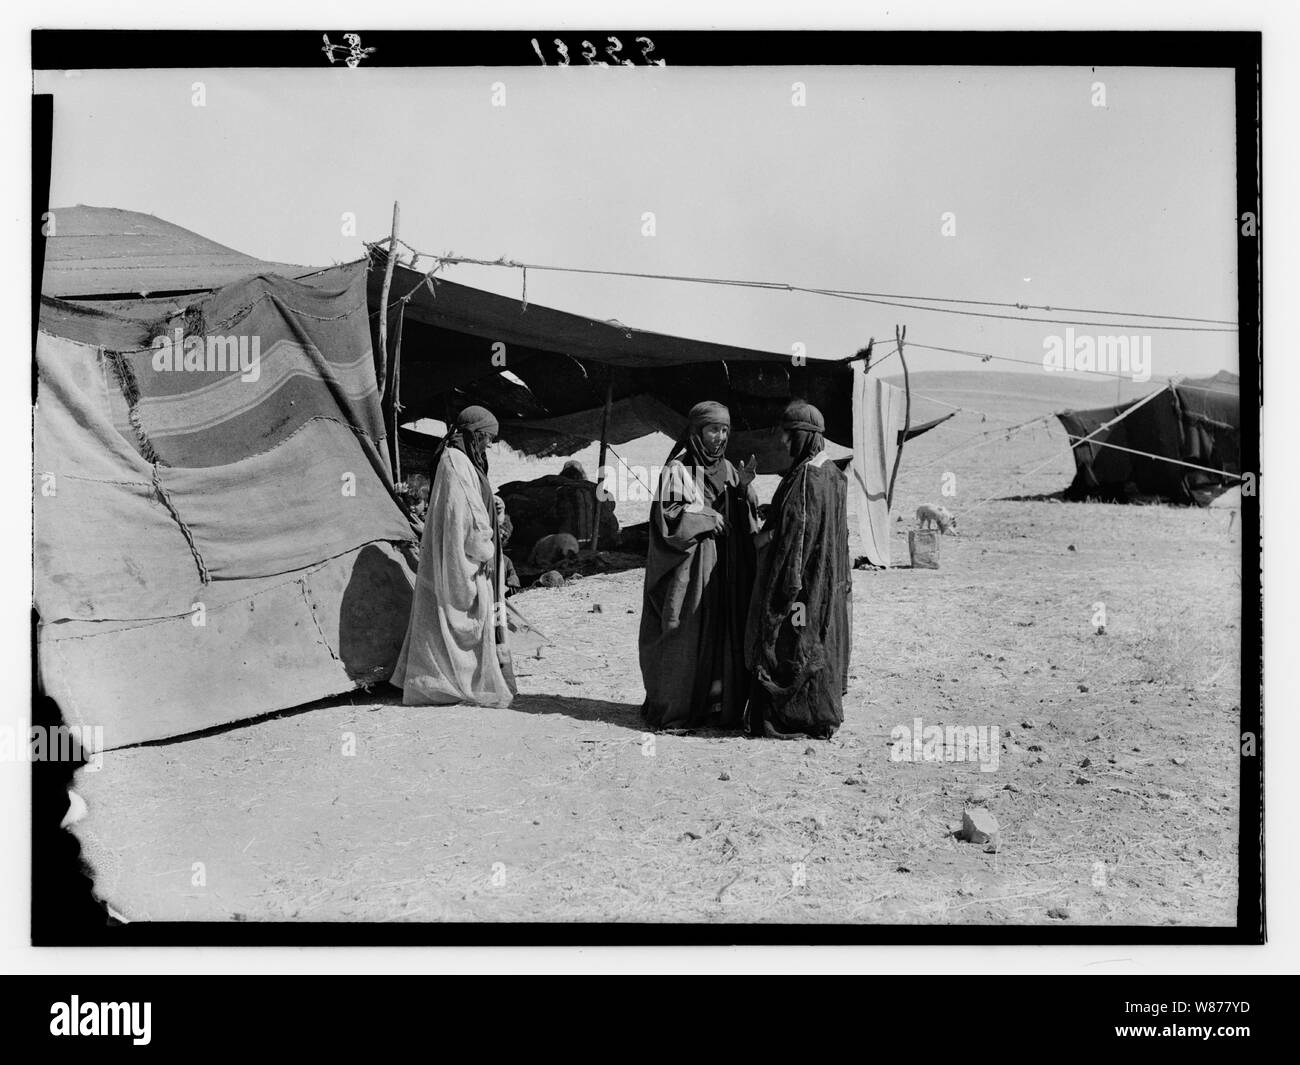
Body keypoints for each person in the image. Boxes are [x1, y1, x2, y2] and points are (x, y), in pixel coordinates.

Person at [639, 401, 759, 731]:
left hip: (724, 570)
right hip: (691, 571)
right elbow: (669, 519)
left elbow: (744, 514)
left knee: (722, 633)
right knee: (686, 631)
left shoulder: (730, 469)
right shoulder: (679, 469)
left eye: (725, 430)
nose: (720, 437)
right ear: (696, 431)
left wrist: (743, 490)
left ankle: (716, 708)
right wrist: (707, 518)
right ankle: (680, 707)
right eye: (713, 430)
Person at [392, 405, 517, 707]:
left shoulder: (460, 460)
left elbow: (474, 506)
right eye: (487, 438)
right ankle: (448, 684)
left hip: (466, 554)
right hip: (464, 558)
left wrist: (495, 511)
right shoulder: (456, 462)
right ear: (473, 434)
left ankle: (447, 680)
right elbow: (467, 517)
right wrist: (485, 547)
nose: (489, 444)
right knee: (458, 618)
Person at [744, 401, 850, 740]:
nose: (784, 444)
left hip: (800, 585)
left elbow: (791, 535)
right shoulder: (832, 472)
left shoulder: (807, 476)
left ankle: (791, 716)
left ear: (803, 436)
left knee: (792, 642)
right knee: (814, 639)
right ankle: (816, 713)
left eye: (789, 436)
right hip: (825, 583)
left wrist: (780, 584)